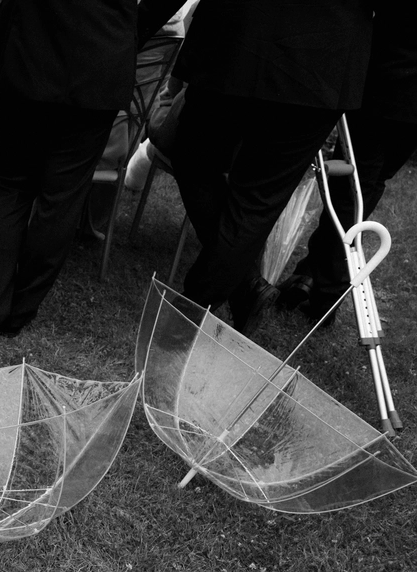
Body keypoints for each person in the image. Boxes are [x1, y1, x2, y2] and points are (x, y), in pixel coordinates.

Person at [138, 0, 376, 335]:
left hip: (249, 42)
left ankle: (188, 316)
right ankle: (239, 286)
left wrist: (136, 29)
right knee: (220, 177)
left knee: (232, 184)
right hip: (305, 55)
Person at [0, 0, 179, 342]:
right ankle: (16, 309)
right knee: (57, 195)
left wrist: (130, 29)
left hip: (34, 43)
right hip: (96, 48)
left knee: (18, 185)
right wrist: (128, 28)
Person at [278, 2, 417, 327]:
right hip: (401, 95)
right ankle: (312, 275)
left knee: (355, 186)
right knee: (366, 184)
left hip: (384, 82)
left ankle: (325, 290)